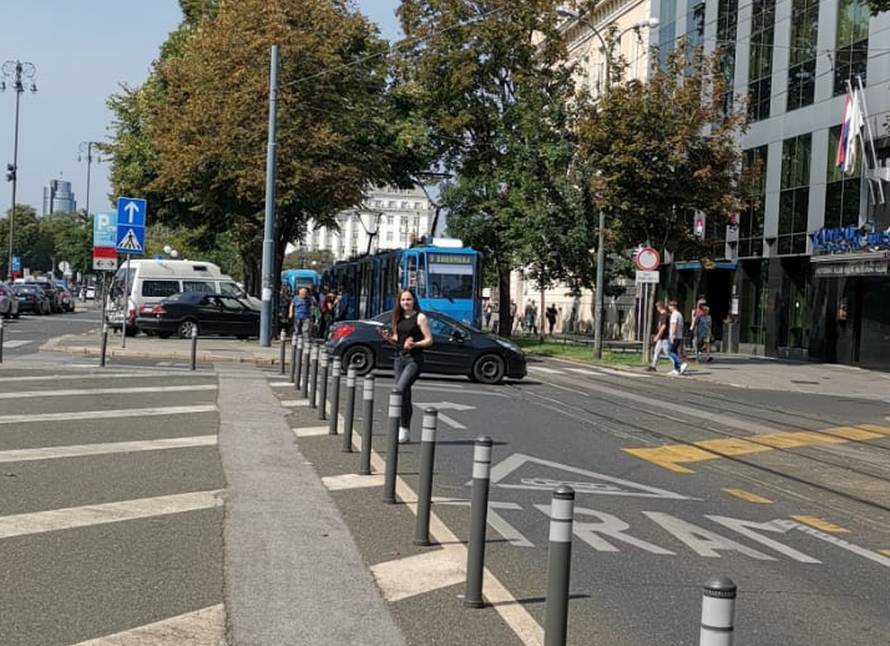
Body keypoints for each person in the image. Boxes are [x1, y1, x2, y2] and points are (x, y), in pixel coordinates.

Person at [380, 289, 433, 444]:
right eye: (403, 300)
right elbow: (398, 339)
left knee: (399, 390)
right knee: (405, 394)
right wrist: (388, 337)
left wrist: (415, 344)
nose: (406, 303)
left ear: (414, 300)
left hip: (414, 360)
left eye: (408, 299)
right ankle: (405, 429)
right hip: (399, 358)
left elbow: (429, 340)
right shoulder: (398, 317)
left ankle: (402, 428)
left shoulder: (421, 317)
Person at [647, 302, 671, 372]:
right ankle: (653, 366)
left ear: (660, 307)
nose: (657, 309)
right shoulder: (664, 315)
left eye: (657, 307)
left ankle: (678, 364)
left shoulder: (664, 315)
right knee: (656, 351)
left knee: (668, 352)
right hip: (662, 338)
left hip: (664, 337)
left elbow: (663, 327)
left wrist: (657, 336)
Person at [667, 300, 689, 376]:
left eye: (669, 306)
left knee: (670, 352)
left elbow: (674, 325)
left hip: (675, 336)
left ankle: (681, 363)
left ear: (672, 306)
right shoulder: (680, 314)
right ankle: (676, 369)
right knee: (675, 352)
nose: (669, 308)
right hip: (679, 336)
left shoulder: (674, 315)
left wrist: (672, 336)